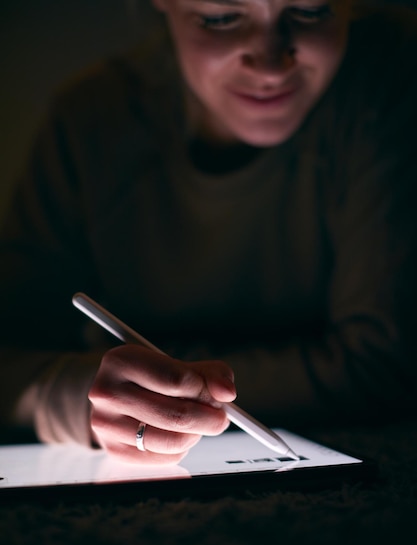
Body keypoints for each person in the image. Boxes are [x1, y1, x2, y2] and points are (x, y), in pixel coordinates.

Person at [0, 0, 417, 465]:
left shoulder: (388, 85)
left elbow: (386, 363)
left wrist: (140, 389)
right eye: (221, 18)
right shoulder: (89, 123)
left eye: (312, 11)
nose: (271, 63)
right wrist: (86, 398)